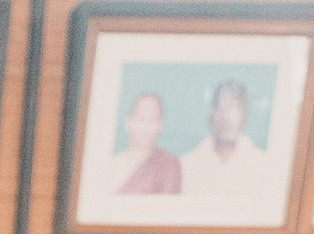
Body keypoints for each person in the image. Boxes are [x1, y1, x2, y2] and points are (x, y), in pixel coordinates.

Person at [181, 75, 269, 216]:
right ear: (212, 114)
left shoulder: (264, 164)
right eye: (223, 108)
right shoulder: (187, 165)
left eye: (235, 109)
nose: (228, 118)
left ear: (245, 115)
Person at [113, 89, 181, 197]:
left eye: (153, 120)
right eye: (141, 119)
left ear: (160, 126)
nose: (147, 127)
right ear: (128, 123)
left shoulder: (168, 164)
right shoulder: (112, 164)